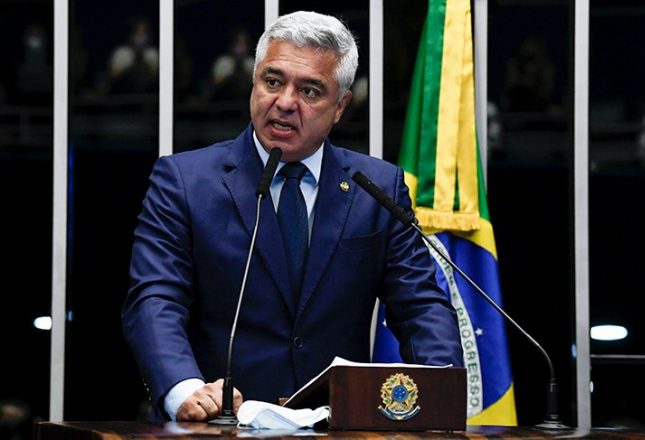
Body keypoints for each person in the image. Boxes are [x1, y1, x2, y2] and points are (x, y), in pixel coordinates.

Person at [122, 11, 463, 422]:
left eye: (309, 91)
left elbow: (421, 307)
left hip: (337, 424)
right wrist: (184, 390)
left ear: (340, 107)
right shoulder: (184, 181)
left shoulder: (377, 189)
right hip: (218, 423)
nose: (285, 102)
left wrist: (441, 393)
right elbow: (155, 298)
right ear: (254, 83)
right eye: (272, 82)